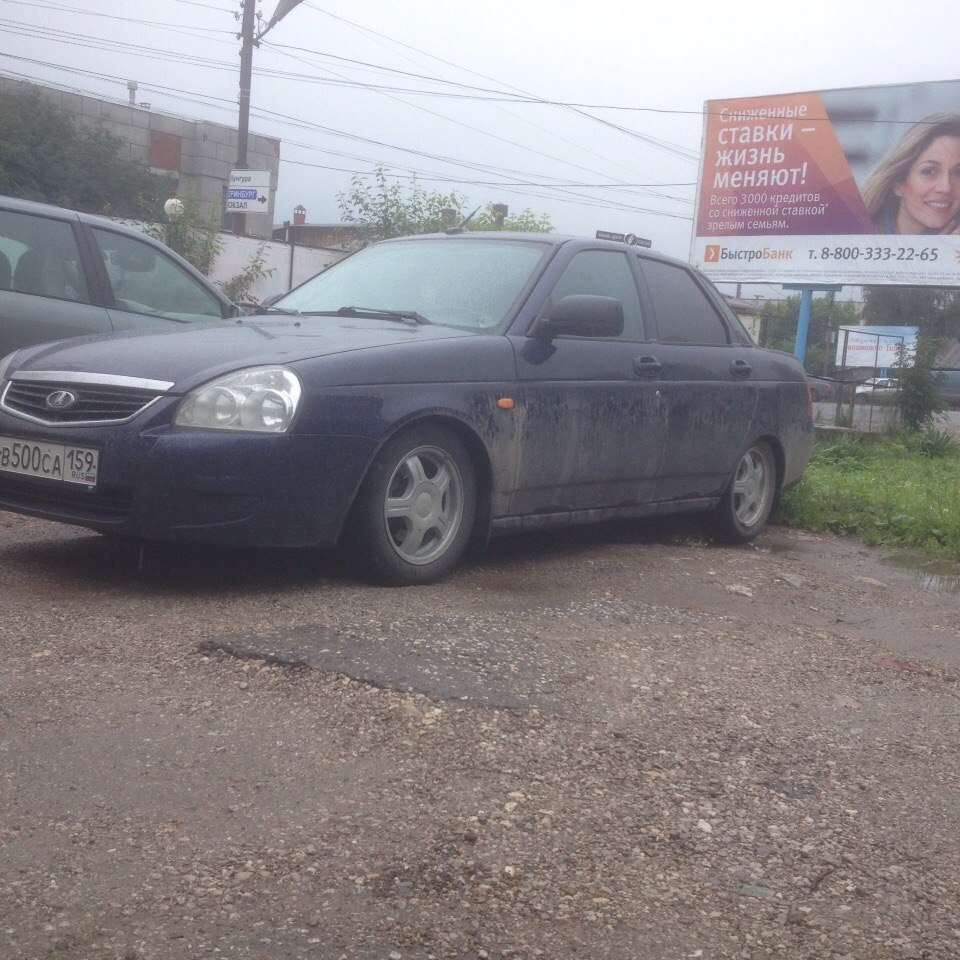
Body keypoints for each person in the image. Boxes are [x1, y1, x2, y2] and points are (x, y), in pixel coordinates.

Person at [861, 113, 960, 235]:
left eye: (958, 173)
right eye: (929, 171)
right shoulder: (855, 241)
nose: (945, 187)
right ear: (898, 183)